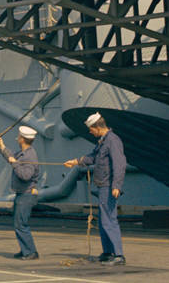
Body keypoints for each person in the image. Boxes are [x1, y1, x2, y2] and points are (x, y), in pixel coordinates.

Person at [64, 112, 126, 266]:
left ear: (97, 127)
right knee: (103, 221)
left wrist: (117, 185)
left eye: (91, 129)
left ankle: (118, 255)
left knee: (109, 220)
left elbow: (120, 163)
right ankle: (108, 252)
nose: (90, 132)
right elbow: (92, 157)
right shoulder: (102, 142)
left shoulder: (113, 141)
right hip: (102, 185)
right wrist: (76, 162)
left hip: (108, 186)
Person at [0, 125, 41, 260]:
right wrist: (2, 147)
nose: (17, 137)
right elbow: (12, 157)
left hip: (26, 194)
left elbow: (26, 175)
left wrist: (15, 163)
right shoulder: (24, 153)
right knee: (19, 223)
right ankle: (25, 250)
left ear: (22, 139)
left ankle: (31, 252)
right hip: (22, 193)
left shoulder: (29, 156)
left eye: (19, 136)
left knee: (21, 224)